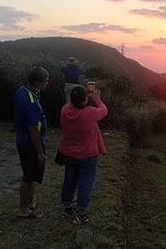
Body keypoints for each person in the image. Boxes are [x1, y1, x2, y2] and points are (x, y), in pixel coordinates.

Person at [58, 84, 108, 224]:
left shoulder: (65, 110)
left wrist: (82, 94)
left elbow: (74, 102)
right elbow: (104, 111)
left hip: (69, 153)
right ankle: (80, 213)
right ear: (85, 100)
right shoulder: (90, 112)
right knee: (86, 182)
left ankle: (67, 208)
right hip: (87, 155)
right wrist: (97, 99)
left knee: (69, 180)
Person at [14, 67, 50, 219]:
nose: (47, 83)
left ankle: (30, 202)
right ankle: (23, 209)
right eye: (46, 81)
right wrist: (40, 152)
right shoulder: (29, 100)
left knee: (31, 173)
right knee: (28, 176)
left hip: (23, 140)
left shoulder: (22, 91)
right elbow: (33, 129)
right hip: (29, 143)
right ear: (37, 82)